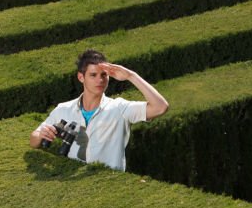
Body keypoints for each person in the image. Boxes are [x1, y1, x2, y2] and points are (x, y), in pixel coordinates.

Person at [29, 49, 169, 170]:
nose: (100, 80)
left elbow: (160, 107)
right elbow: (33, 139)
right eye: (93, 75)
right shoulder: (63, 109)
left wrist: (130, 76)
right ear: (81, 77)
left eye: (104, 75)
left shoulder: (119, 108)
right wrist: (41, 134)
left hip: (108, 188)